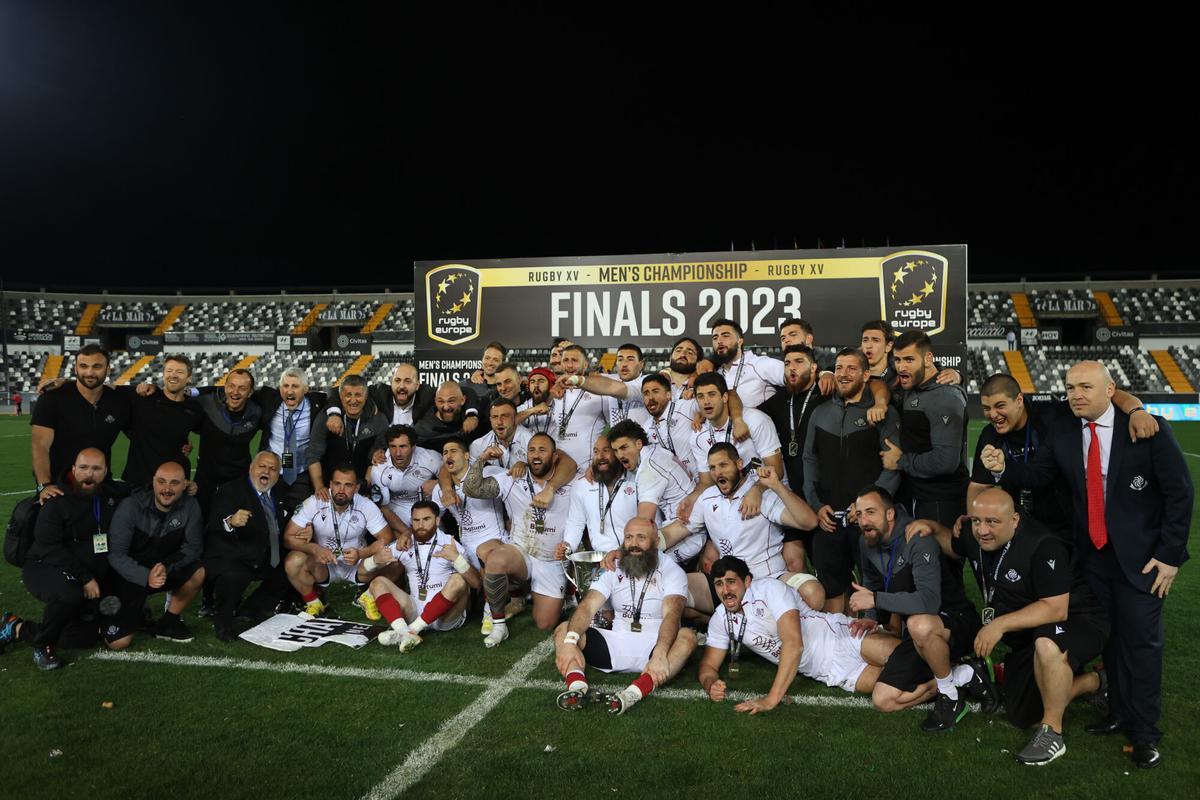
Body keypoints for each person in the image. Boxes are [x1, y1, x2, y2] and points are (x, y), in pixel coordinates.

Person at [981, 360, 1194, 769]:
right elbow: (1039, 475)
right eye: (1070, 387)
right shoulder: (1063, 429)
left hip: (1143, 562)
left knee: (1141, 643)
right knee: (1110, 638)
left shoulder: (1146, 429)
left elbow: (1180, 494)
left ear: (1110, 390)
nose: (1076, 395)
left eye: (1085, 387)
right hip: (1092, 558)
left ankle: (1145, 733)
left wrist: (1170, 556)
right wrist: (1003, 469)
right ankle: (1117, 711)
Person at [911, 487, 1109, 765]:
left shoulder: (1042, 545)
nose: (983, 530)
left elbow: (1056, 608)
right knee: (1021, 714)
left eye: (992, 522)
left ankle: (1052, 733)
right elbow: (953, 545)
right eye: (977, 521)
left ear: (1014, 520)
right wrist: (932, 527)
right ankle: (1097, 681)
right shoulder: (975, 534)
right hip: (1029, 632)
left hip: (1077, 620)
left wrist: (999, 625)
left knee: (1047, 645)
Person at [848, 485, 987, 732]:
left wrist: (876, 600)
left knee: (918, 623)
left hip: (954, 622)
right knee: (883, 700)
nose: (864, 521)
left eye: (870, 512)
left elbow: (928, 602)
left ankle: (950, 698)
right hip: (918, 636)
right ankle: (964, 674)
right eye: (859, 514)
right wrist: (871, 617)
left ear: (890, 514)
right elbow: (872, 581)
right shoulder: (866, 541)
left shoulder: (917, 538)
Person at [698, 556, 902, 712]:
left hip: (841, 637)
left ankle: (898, 607)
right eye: (719, 584)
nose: (725, 590)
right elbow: (708, 666)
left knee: (907, 659)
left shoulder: (769, 589)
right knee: (895, 687)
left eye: (731, 581)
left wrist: (771, 699)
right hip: (832, 672)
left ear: (747, 581)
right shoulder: (720, 619)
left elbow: (794, 644)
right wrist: (710, 684)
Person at [969, 373, 1156, 543]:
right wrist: (973, 522)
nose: (992, 414)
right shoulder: (989, 436)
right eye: (986, 408)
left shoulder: (1052, 414)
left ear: (1019, 400)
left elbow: (1110, 394)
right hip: (1020, 525)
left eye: (1000, 406)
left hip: (1069, 522)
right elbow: (978, 486)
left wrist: (1136, 411)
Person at [554, 518, 696, 715]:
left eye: (641, 537)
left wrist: (660, 653)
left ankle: (634, 693)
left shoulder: (672, 571)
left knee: (687, 637)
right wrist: (570, 642)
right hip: (614, 644)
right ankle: (577, 686)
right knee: (565, 630)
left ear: (656, 541)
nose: (634, 544)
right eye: (629, 537)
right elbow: (588, 606)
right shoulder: (613, 567)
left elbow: (672, 616)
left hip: (653, 647)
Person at [659, 449, 824, 609]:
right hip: (729, 585)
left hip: (770, 578)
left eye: (723, 465)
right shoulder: (707, 498)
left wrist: (777, 486)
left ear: (739, 464)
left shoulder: (760, 494)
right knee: (669, 589)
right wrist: (648, 541)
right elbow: (678, 530)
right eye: (712, 468)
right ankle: (721, 619)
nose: (717, 472)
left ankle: (744, 618)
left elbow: (809, 522)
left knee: (813, 593)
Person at [803, 348, 901, 612]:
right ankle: (837, 637)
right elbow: (809, 461)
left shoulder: (882, 414)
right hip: (828, 521)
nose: (843, 374)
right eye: (838, 368)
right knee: (832, 590)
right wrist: (816, 505)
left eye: (851, 368)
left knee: (877, 590)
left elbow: (892, 468)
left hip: (867, 522)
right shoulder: (820, 413)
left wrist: (868, 508)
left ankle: (877, 636)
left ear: (866, 375)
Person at [11, 448, 122, 669]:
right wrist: (86, 578)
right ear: (73, 469)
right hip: (44, 565)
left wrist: (186, 486)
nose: (89, 474)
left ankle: (17, 628)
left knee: (79, 639)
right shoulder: (55, 499)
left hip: (82, 570)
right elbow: (49, 548)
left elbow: (146, 489)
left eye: (96, 469)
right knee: (69, 595)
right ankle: (42, 645)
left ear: (105, 472)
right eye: (83, 468)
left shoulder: (109, 496)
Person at [463, 432, 575, 646]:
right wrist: (481, 459)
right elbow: (471, 488)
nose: (536, 455)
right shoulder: (512, 478)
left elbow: (571, 465)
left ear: (555, 456)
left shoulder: (569, 481)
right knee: (495, 560)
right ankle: (499, 625)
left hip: (551, 560)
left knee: (545, 623)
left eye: (542, 450)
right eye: (531, 450)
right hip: (521, 552)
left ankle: (549, 593)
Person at [105, 461, 206, 647]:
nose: (167, 489)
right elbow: (116, 555)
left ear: (185, 485)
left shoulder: (191, 505)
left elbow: (193, 547)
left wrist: (165, 567)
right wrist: (146, 576)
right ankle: (130, 614)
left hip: (163, 570)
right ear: (153, 482)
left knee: (198, 572)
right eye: (161, 482)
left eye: (174, 483)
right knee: (118, 643)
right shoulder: (130, 506)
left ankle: (169, 622)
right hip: (131, 576)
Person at [365, 501, 482, 652]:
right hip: (415, 609)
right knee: (377, 583)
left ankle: (411, 630)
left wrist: (457, 558)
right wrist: (373, 560)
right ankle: (403, 631)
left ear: (437, 520)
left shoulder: (450, 543)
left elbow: (476, 584)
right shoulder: (404, 543)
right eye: (416, 520)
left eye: (426, 519)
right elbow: (360, 573)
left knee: (458, 580)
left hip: (445, 616)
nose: (421, 525)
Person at [880, 330, 969, 532]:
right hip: (916, 495)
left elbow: (945, 461)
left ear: (928, 359)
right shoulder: (912, 384)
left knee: (940, 553)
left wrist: (900, 461)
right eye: (897, 360)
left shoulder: (945, 397)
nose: (901, 367)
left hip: (941, 500)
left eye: (909, 359)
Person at [283, 464, 392, 618]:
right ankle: (314, 601)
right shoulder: (314, 502)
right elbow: (288, 538)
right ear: (330, 484)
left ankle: (367, 595)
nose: (341, 490)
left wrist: (361, 553)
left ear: (356, 488)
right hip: (323, 564)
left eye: (348, 485)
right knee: (293, 561)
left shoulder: (366, 505)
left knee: (394, 558)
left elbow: (386, 538)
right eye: (337, 484)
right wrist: (314, 548)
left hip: (358, 564)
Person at [205, 452, 292, 641]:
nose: (266, 471)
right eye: (262, 466)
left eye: (272, 469)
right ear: (251, 468)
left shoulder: (280, 490)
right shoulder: (230, 490)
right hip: (233, 555)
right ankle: (223, 624)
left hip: (266, 554)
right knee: (234, 577)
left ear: (278, 474)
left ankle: (250, 610)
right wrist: (231, 521)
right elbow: (213, 523)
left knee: (290, 570)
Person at [31, 345, 132, 504]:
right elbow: (40, 446)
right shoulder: (51, 398)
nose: (89, 372)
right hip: (60, 487)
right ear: (75, 368)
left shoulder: (120, 400)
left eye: (97, 366)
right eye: (83, 366)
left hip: (101, 485)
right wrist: (44, 485)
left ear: (108, 369)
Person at [761, 344, 830, 574]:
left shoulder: (827, 395)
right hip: (790, 497)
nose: (792, 368)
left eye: (799, 362)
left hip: (821, 495)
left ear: (814, 368)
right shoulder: (778, 401)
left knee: (826, 567)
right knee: (794, 564)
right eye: (787, 363)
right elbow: (745, 413)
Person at [678, 372, 780, 523]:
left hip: (767, 494)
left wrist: (757, 490)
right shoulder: (698, 436)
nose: (706, 401)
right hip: (730, 503)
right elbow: (706, 482)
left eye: (712, 394)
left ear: (725, 397)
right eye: (700, 396)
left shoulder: (755, 420)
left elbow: (777, 469)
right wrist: (691, 498)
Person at [253, 366, 328, 510]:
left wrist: (335, 414)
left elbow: (338, 397)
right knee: (267, 513)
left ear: (305, 389)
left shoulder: (318, 403)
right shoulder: (268, 399)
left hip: (302, 473)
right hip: (271, 471)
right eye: (285, 386)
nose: (289, 391)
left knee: (302, 514)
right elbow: (241, 391)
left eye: (295, 386)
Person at [121, 354, 201, 487]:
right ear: (163, 374)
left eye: (179, 372)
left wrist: (188, 443)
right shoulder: (144, 397)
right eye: (169, 371)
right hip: (139, 483)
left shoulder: (194, 408)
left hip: (174, 484)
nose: (173, 375)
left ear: (189, 378)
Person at [193, 367, 263, 518]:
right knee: (201, 520)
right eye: (231, 386)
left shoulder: (257, 412)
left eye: (242, 388)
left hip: (238, 478)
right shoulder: (207, 402)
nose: (235, 392)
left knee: (235, 522)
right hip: (205, 478)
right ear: (224, 387)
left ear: (250, 392)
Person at [306, 375, 388, 499]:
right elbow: (313, 454)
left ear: (366, 396)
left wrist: (365, 486)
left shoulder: (379, 420)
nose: (353, 400)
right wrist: (319, 486)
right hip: (329, 488)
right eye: (348, 395)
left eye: (358, 395)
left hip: (362, 489)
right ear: (340, 396)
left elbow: (376, 459)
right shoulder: (325, 418)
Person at [368, 425, 444, 547]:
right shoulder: (379, 469)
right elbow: (384, 508)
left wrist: (438, 482)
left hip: (427, 506)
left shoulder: (430, 458)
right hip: (397, 510)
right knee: (405, 546)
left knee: (434, 545)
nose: (398, 453)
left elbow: (453, 475)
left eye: (403, 446)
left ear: (413, 447)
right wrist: (408, 532)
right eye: (393, 446)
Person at [547, 344, 607, 476]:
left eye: (574, 360)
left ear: (585, 365)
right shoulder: (555, 393)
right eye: (565, 360)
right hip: (558, 470)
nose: (569, 365)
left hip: (588, 472)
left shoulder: (599, 393)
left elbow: (614, 427)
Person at [709, 318, 784, 408]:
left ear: (740, 341)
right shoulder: (715, 373)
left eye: (725, 336)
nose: (719, 341)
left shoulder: (760, 364)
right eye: (715, 338)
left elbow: (795, 377)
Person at [413, 381, 482, 452]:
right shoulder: (423, 429)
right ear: (435, 401)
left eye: (451, 401)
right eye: (441, 401)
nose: (446, 407)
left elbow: (468, 392)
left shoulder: (472, 415)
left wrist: (472, 415)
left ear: (462, 400)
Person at [469, 397, 532, 470]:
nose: (499, 422)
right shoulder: (478, 446)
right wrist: (482, 460)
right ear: (490, 420)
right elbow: (470, 476)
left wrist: (527, 466)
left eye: (505, 416)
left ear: (515, 418)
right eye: (494, 417)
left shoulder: (531, 440)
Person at [600, 343, 646, 426]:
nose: (624, 364)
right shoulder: (610, 380)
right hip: (616, 434)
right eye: (620, 359)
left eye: (630, 359)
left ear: (641, 364)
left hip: (642, 434)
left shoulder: (647, 383)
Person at [517, 366, 555, 434]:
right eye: (532, 382)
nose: (536, 385)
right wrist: (532, 410)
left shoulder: (560, 405)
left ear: (551, 386)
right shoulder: (524, 408)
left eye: (541, 381)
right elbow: (508, 422)